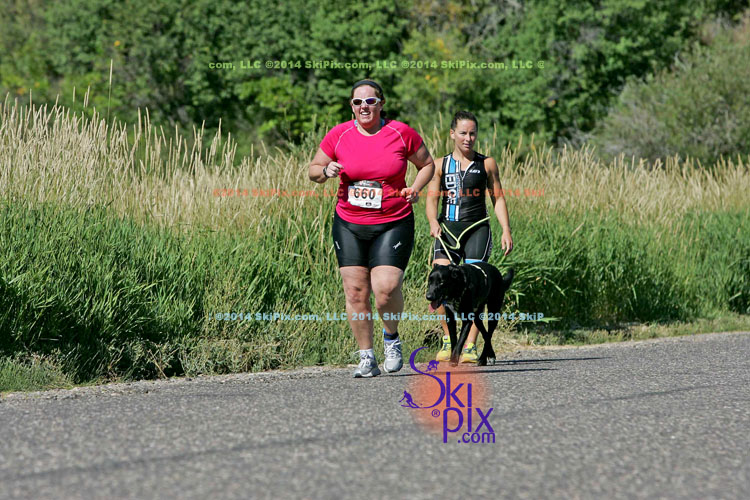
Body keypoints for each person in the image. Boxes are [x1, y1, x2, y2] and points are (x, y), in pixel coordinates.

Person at [309, 79, 435, 378]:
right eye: (358, 102)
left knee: (386, 288)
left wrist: (415, 188)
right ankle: (366, 357)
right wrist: (325, 170)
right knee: (355, 292)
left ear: (381, 104)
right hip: (349, 223)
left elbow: (427, 164)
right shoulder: (339, 134)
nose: (364, 107)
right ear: (351, 106)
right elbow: (313, 171)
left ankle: (391, 338)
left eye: (370, 101)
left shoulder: (400, 132)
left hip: (393, 221)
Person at [426, 111, 513, 363]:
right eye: (463, 133)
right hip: (447, 231)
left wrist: (506, 229)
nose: (468, 138)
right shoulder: (440, 165)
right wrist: (433, 221)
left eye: (472, 133)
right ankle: (448, 340)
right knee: (439, 281)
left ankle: (470, 346)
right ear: (452, 134)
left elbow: (498, 198)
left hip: (477, 229)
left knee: (477, 288)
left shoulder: (487, 164)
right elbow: (431, 199)